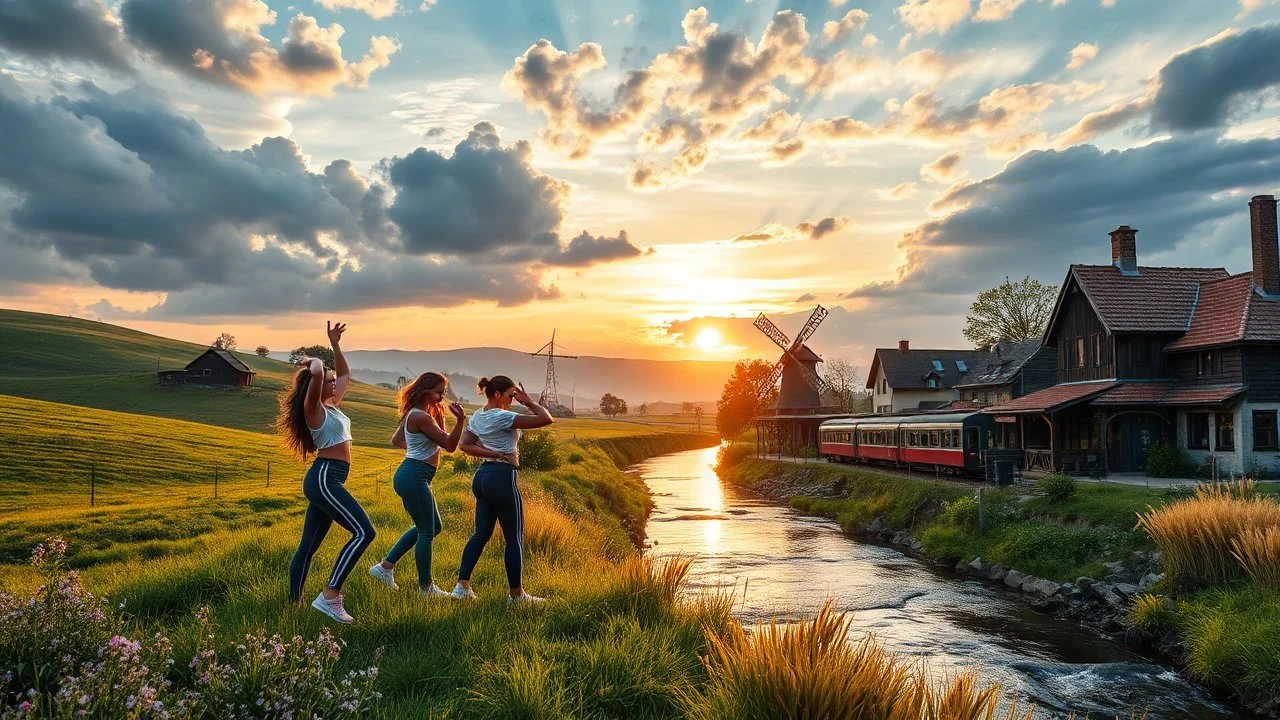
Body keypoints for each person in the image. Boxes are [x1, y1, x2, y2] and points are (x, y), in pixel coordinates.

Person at [278, 321, 376, 624]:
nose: (334, 383)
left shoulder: (332, 406)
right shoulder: (313, 408)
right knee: (364, 532)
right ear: (317, 386)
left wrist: (335, 344)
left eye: (333, 382)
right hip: (324, 477)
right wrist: (311, 362)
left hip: (329, 478)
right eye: (329, 381)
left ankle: (294, 606)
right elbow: (319, 372)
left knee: (308, 547)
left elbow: (344, 374)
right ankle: (330, 595)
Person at [452, 376, 553, 604]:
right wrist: (528, 401)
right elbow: (545, 419)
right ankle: (517, 596)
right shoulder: (502, 416)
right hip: (502, 477)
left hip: (483, 477)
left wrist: (492, 453)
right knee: (514, 537)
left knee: (481, 534)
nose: (513, 400)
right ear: (497, 394)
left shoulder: (478, 416)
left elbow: (464, 444)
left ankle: (462, 587)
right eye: (511, 395)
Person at [368, 372, 466, 598]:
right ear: (425, 391)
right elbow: (450, 445)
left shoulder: (416, 414)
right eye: (439, 392)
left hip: (414, 475)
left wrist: (417, 447)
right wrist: (460, 420)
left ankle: (385, 567)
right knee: (426, 531)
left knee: (434, 527)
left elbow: (397, 440)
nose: (442, 397)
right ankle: (426, 588)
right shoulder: (421, 417)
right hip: (414, 476)